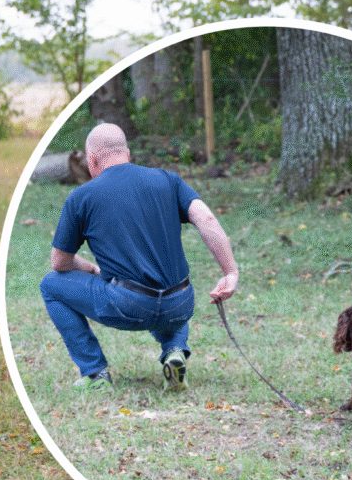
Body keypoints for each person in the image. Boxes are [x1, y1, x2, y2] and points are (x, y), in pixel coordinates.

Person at [41, 123, 240, 390]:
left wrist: (91, 269)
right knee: (169, 286)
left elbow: (60, 262)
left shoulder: (81, 197)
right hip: (180, 304)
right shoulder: (168, 180)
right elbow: (206, 218)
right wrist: (230, 272)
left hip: (128, 306)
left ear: (92, 159)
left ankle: (95, 375)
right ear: (128, 153)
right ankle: (174, 351)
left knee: (51, 284)